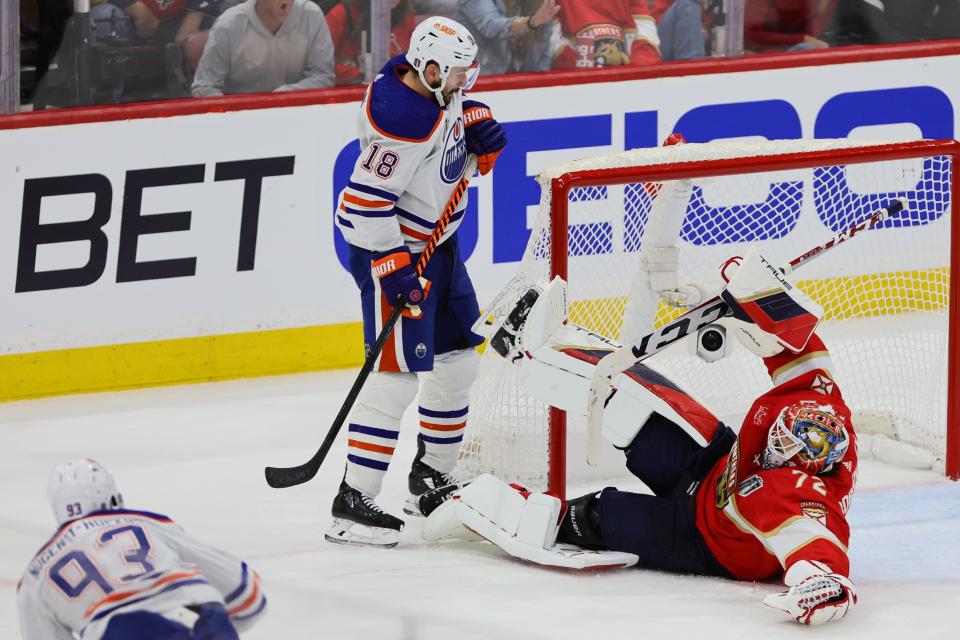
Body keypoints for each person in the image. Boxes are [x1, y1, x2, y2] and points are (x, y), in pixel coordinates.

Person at [431, 245, 859, 626]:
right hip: (716, 467)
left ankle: (471, 504)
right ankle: (527, 348)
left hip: (701, 537)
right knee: (632, 403)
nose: (775, 445)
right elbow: (799, 347)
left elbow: (817, 548)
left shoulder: (801, 498)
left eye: (783, 449)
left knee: (598, 515)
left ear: (806, 466)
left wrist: (822, 585)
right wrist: (760, 297)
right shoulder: (818, 402)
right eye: (779, 435)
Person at [328, 15, 507, 548]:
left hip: (441, 248)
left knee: (458, 362)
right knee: (396, 377)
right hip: (400, 257)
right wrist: (396, 269)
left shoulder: (429, 87)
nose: (461, 84)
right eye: (455, 76)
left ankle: (431, 478)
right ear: (428, 68)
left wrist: (473, 114)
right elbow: (359, 207)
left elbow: (456, 114)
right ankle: (353, 503)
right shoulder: (401, 121)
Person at [17, 459, 266, 639]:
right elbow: (249, 595)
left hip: (123, 632)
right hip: (203, 614)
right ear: (112, 497)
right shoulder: (149, 522)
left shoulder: (36, 574)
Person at [191, 0, 335, 97]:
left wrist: (284, 95)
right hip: (240, 121)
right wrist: (231, 112)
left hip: (297, 115)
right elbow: (204, 86)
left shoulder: (311, 16)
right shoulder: (229, 25)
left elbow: (323, 76)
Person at [325, 0, 417, 85]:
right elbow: (322, 68)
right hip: (349, 94)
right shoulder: (340, 14)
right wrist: (360, 75)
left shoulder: (406, 16)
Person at [457, 0, 560, 75]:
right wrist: (530, 23)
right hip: (476, 81)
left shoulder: (539, 4)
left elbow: (543, 55)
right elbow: (489, 26)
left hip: (518, 85)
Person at [552, 0, 660, 69]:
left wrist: (632, 76)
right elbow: (555, 45)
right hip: (577, 79)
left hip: (628, 75)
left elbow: (646, 38)